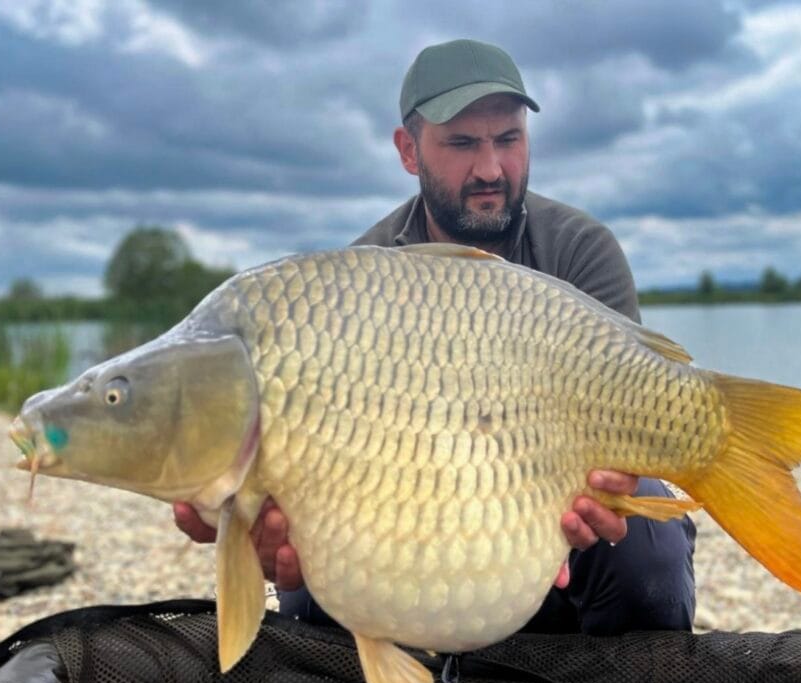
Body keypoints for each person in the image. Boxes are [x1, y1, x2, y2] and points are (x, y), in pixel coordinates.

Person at [174, 39, 696, 635]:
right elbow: (342, 464)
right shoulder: (357, 279)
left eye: (508, 139)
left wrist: (602, 495)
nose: (491, 169)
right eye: (462, 143)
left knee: (647, 548)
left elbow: (624, 443)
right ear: (408, 150)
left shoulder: (580, 250)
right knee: (308, 595)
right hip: (419, 515)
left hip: (547, 522)